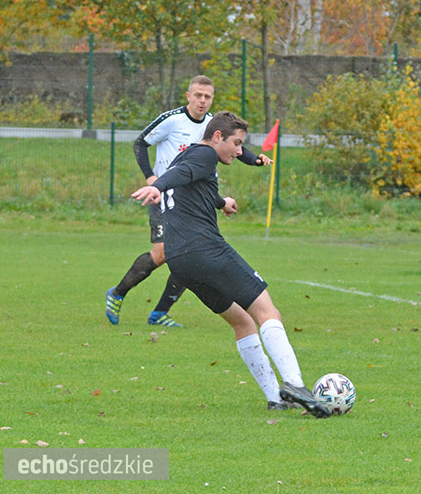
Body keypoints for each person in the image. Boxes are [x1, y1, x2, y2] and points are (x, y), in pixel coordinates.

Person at [131, 111, 329, 416]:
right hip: (205, 248)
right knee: (266, 310)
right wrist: (157, 186)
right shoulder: (205, 154)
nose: (239, 151)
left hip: (180, 261)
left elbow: (190, 184)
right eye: (236, 143)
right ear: (218, 137)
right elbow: (181, 177)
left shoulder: (188, 157)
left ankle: (276, 398)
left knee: (242, 321)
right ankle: (294, 384)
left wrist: (221, 202)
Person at [105, 75, 271, 327]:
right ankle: (118, 292)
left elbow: (236, 148)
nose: (203, 101)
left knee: (191, 253)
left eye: (207, 96)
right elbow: (140, 143)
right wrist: (151, 178)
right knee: (164, 254)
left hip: (193, 199)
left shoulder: (212, 126)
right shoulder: (172, 120)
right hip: (164, 195)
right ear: (188, 96)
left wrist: (254, 160)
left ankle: (159, 312)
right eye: (198, 95)